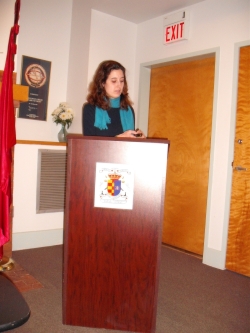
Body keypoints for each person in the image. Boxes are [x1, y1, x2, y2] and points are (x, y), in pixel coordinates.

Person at [82, 60, 145, 138]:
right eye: (114, 81)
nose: (119, 85)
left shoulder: (128, 110)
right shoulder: (90, 109)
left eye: (122, 81)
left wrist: (139, 140)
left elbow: (129, 146)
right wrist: (118, 139)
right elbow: (88, 145)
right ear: (102, 83)